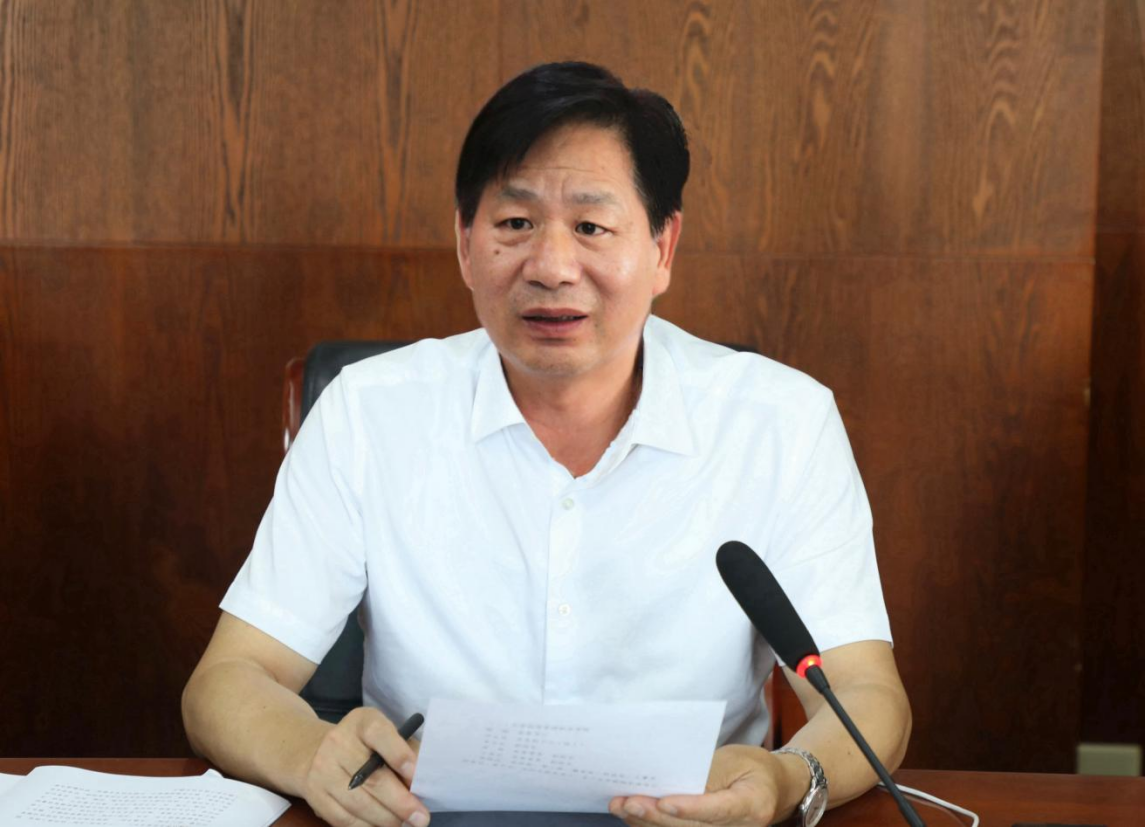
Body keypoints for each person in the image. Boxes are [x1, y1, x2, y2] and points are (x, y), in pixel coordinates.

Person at [182, 61, 911, 827]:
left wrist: (788, 777)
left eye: (591, 227)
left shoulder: (780, 421)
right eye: (514, 224)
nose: (552, 268)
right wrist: (311, 753)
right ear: (465, 243)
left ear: (662, 247)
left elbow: (864, 693)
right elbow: (227, 681)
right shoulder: (368, 413)